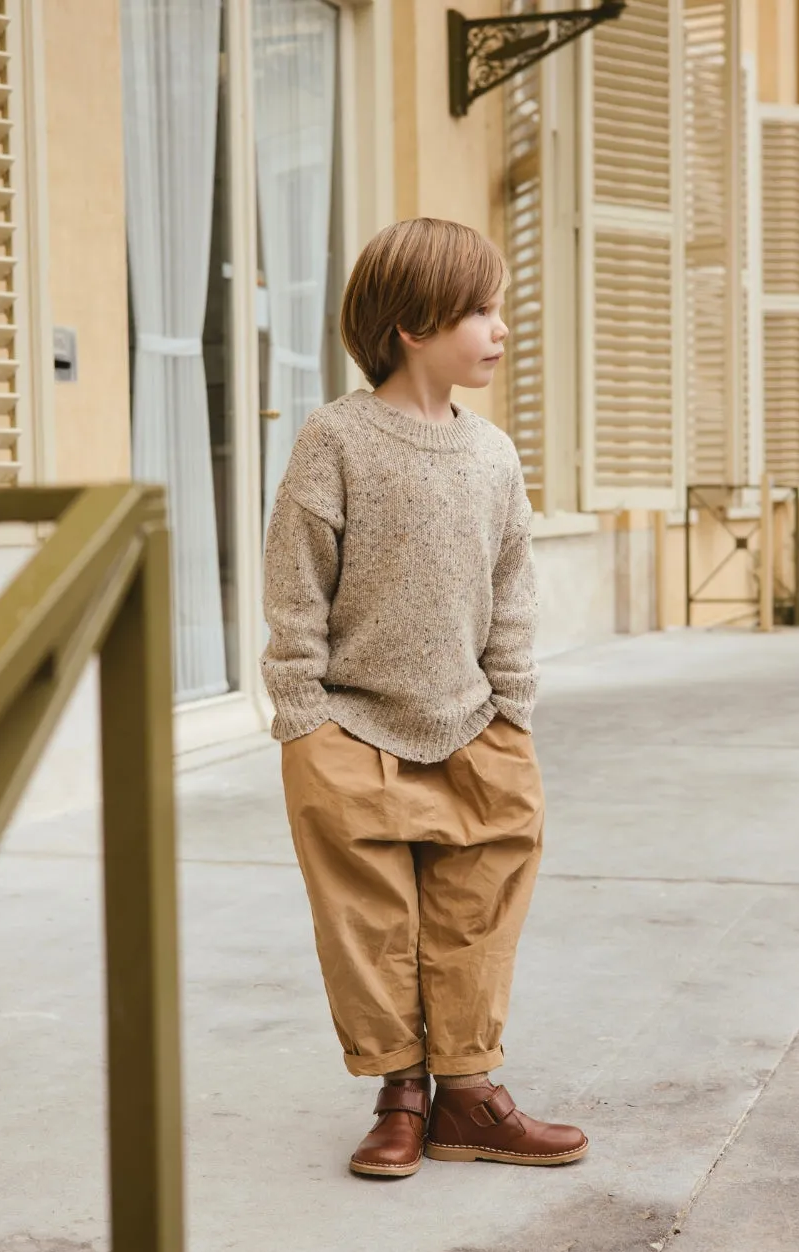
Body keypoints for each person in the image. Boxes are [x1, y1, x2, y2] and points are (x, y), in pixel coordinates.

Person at [261, 217, 588, 1178]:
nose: (498, 328)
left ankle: (471, 1094)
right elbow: (295, 584)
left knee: (479, 906)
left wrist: (514, 703)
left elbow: (514, 585)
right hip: (350, 725)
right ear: (413, 325)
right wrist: (301, 714)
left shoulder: (493, 455)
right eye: (480, 310)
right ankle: (400, 1091)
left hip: (476, 720)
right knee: (369, 922)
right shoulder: (335, 439)